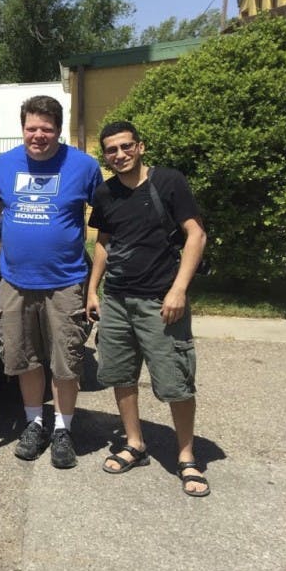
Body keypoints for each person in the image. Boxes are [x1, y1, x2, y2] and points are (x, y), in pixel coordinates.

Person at [87, 121, 210, 497]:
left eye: (126, 147)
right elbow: (104, 242)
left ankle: (187, 456)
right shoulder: (105, 194)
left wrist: (178, 290)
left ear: (140, 147)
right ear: (105, 156)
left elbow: (196, 234)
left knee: (175, 379)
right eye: (111, 150)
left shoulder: (169, 182)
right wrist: (93, 290)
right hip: (118, 299)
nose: (119, 155)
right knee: (121, 374)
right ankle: (135, 443)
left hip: (160, 301)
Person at [0, 95, 102, 469]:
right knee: (25, 357)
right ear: (22, 128)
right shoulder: (3, 165)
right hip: (15, 280)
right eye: (31, 128)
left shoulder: (84, 166)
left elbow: (105, 225)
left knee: (65, 359)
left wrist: (99, 282)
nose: (38, 136)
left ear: (59, 130)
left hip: (65, 281)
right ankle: (35, 423)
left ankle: (63, 429)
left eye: (46, 129)